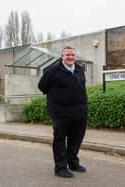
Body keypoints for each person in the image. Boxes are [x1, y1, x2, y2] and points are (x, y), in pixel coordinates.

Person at [38, 46, 88, 178]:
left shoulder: (79, 69)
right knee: (60, 140)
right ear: (62, 56)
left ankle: (73, 162)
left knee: (76, 139)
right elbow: (42, 86)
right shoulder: (53, 70)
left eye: (72, 55)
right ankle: (60, 167)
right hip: (60, 112)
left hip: (79, 112)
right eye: (67, 55)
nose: (70, 57)